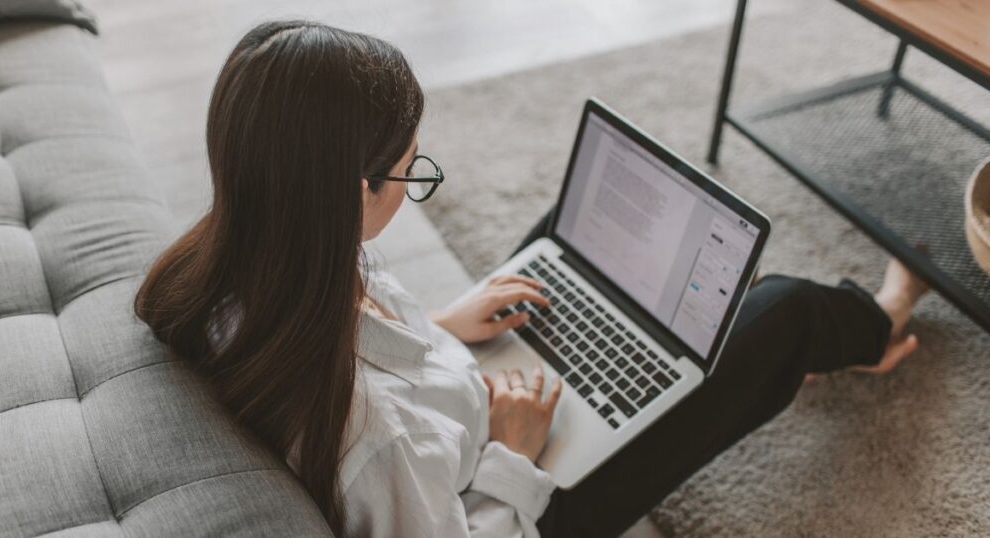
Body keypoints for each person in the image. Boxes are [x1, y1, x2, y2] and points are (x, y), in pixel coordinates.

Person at [134, 20, 929, 538]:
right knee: (779, 310)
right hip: (525, 497)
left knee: (564, 246)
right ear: (352, 192)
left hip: (458, 409)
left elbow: (355, 354)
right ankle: (880, 321)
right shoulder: (376, 442)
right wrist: (517, 451)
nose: (415, 183)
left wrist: (442, 327)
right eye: (412, 175)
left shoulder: (246, 261)